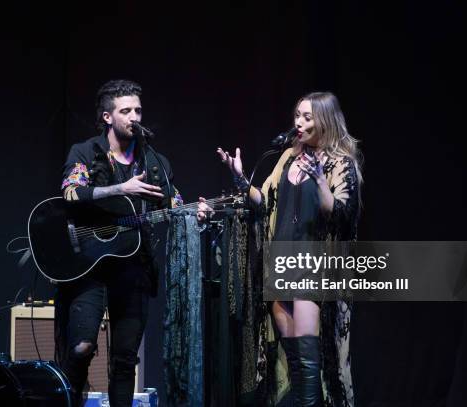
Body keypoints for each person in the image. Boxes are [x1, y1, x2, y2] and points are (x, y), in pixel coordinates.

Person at [216, 92, 362, 406]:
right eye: (297, 115)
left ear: (325, 120)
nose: (299, 122)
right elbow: (264, 201)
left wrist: (321, 181)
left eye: (307, 117)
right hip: (281, 262)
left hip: (313, 266)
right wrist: (240, 178)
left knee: (310, 363)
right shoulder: (287, 158)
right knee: (294, 362)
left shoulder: (341, 164)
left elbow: (341, 216)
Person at [55, 79, 184, 407]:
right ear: (107, 117)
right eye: (126, 110)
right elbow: (71, 192)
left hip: (134, 268)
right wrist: (119, 189)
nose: (134, 116)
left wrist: (193, 211)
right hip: (90, 268)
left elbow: (173, 203)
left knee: (126, 361)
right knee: (81, 347)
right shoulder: (86, 151)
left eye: (138, 110)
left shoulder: (155, 163)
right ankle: (71, 395)